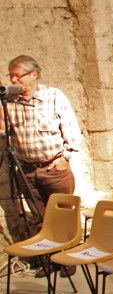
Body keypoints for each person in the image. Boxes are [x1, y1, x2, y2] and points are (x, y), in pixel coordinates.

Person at [2, 55, 82, 218]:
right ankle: (47, 243)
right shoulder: (10, 101)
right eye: (11, 76)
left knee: (65, 217)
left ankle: (69, 244)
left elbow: (71, 129)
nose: (14, 79)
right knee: (41, 219)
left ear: (34, 74)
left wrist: (64, 159)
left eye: (18, 75)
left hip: (53, 169)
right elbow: (4, 132)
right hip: (28, 172)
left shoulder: (53, 96)